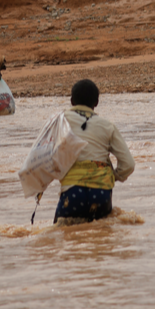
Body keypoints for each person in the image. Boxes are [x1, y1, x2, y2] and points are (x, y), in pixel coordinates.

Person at [55, 79, 136, 224]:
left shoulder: (59, 122)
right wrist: (113, 176)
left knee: (65, 236)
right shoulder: (107, 126)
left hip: (72, 192)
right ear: (96, 103)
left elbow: (41, 157)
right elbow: (128, 164)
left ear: (72, 101)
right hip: (101, 193)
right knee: (101, 237)